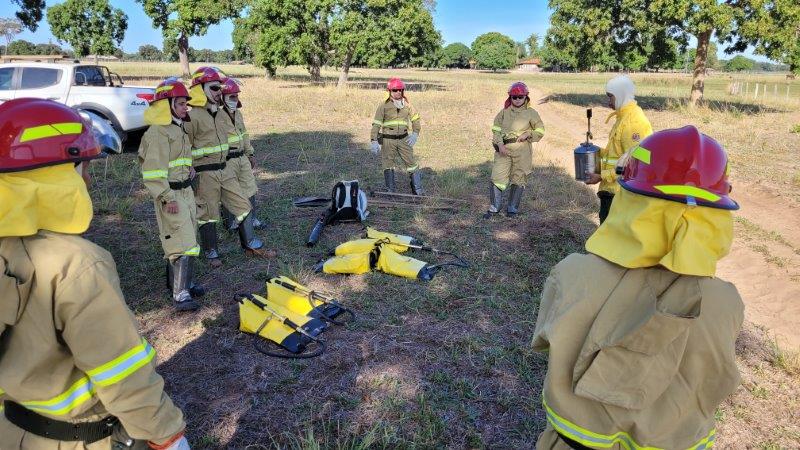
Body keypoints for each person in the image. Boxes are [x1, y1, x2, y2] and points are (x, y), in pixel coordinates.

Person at [533, 126, 743, 449]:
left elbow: (545, 341)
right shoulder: (726, 303)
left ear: (630, 199)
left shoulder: (573, 273)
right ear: (715, 217)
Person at [0, 98, 189, 449]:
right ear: (57, 174)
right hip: (73, 439)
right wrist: (168, 436)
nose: (87, 179)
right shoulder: (78, 265)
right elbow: (122, 375)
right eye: (82, 166)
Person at [186, 66, 273, 267]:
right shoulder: (192, 117)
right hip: (205, 174)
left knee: (243, 206)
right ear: (200, 89)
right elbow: (183, 146)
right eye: (215, 88)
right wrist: (188, 170)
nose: (219, 93)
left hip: (225, 169)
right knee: (208, 215)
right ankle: (211, 252)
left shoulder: (218, 113)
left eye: (220, 89)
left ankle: (250, 245)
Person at [139, 78, 203, 312]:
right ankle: (180, 294)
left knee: (189, 238)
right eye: (181, 103)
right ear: (166, 105)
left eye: (186, 103)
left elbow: (178, 159)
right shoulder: (158, 133)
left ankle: (183, 283)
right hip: (172, 194)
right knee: (181, 242)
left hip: (185, 190)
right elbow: (153, 172)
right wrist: (167, 197)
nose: (186, 107)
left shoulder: (177, 128)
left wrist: (190, 169)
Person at [583, 74, 652, 223]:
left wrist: (602, 176)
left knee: (608, 242)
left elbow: (637, 162)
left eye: (610, 97)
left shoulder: (633, 123)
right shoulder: (623, 116)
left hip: (620, 194)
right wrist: (595, 150)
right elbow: (618, 153)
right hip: (612, 190)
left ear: (621, 95)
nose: (608, 102)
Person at [485, 81, 545, 218]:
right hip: (503, 149)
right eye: (514, 97)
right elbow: (496, 131)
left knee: (519, 178)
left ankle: (512, 209)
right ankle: (494, 208)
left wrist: (529, 134)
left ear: (526, 98)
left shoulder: (531, 113)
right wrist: (499, 145)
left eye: (520, 97)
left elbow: (540, 130)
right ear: (510, 97)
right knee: (497, 177)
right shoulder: (503, 113)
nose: (517, 100)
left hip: (522, 150)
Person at [220, 77, 263, 231]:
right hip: (226, 160)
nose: (235, 99)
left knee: (249, 188)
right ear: (223, 97)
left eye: (237, 96)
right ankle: (230, 222)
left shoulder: (238, 113)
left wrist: (250, 154)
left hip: (241, 157)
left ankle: (253, 219)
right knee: (229, 191)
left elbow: (244, 134)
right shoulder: (217, 115)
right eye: (232, 96)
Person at [370, 78, 423, 195]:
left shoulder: (408, 105)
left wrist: (415, 133)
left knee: (411, 163)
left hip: (404, 139)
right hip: (388, 140)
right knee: (388, 164)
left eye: (400, 90)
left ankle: (417, 189)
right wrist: (373, 140)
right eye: (395, 90)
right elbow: (376, 124)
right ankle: (391, 190)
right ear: (389, 91)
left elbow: (415, 119)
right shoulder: (383, 106)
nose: (398, 92)